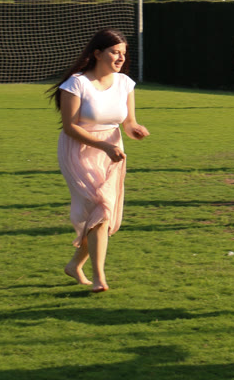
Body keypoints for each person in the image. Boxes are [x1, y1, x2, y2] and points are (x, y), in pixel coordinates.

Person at [47, 29, 150, 293]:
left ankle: (75, 265)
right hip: (79, 150)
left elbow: (128, 122)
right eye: (115, 52)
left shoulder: (125, 83)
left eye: (123, 53)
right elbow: (70, 127)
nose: (121, 58)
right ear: (97, 53)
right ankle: (99, 278)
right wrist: (103, 146)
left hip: (112, 150)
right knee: (101, 208)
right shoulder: (76, 84)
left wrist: (135, 130)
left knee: (102, 212)